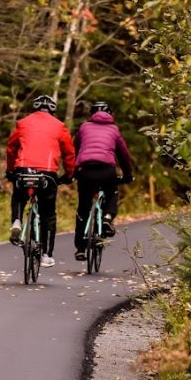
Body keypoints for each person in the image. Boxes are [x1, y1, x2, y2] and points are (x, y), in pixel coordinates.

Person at [5, 94, 75, 269]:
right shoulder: (59, 126)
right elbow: (69, 153)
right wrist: (69, 174)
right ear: (52, 109)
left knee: (19, 196)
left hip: (23, 169)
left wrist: (10, 170)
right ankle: (46, 255)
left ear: (34, 108)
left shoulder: (23, 123)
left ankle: (16, 221)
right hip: (48, 173)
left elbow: (11, 147)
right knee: (48, 215)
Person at [72, 101, 133, 262]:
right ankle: (107, 217)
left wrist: (72, 172)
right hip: (106, 170)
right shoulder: (114, 129)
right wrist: (128, 174)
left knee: (83, 209)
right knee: (112, 192)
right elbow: (124, 154)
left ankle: (80, 248)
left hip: (86, 171)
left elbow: (74, 149)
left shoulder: (84, 127)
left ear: (92, 114)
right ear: (110, 114)